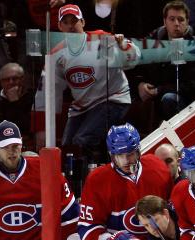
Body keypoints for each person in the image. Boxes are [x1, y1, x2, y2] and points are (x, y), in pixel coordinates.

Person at [32, 4, 141, 164]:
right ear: (60, 27)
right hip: (83, 106)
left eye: (74, 21)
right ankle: (70, 182)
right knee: (67, 147)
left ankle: (87, 180)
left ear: (82, 22)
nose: (70, 26)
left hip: (113, 98)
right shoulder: (55, 54)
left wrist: (124, 47)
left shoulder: (101, 38)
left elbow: (133, 58)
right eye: (66, 22)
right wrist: (41, 128)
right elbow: (47, 92)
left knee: (82, 140)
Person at [78, 123, 174, 240]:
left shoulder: (158, 169)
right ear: (110, 154)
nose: (124, 161)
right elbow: (87, 228)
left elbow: (172, 215)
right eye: (118, 155)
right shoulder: (97, 180)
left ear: (138, 150)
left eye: (129, 154)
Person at [129, 1, 195, 128]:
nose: (176, 24)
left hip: (185, 100)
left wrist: (160, 90)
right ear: (164, 21)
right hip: (155, 94)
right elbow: (137, 69)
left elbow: (194, 85)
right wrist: (140, 84)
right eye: (172, 19)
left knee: (169, 99)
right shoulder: (151, 41)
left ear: (187, 22)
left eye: (181, 19)